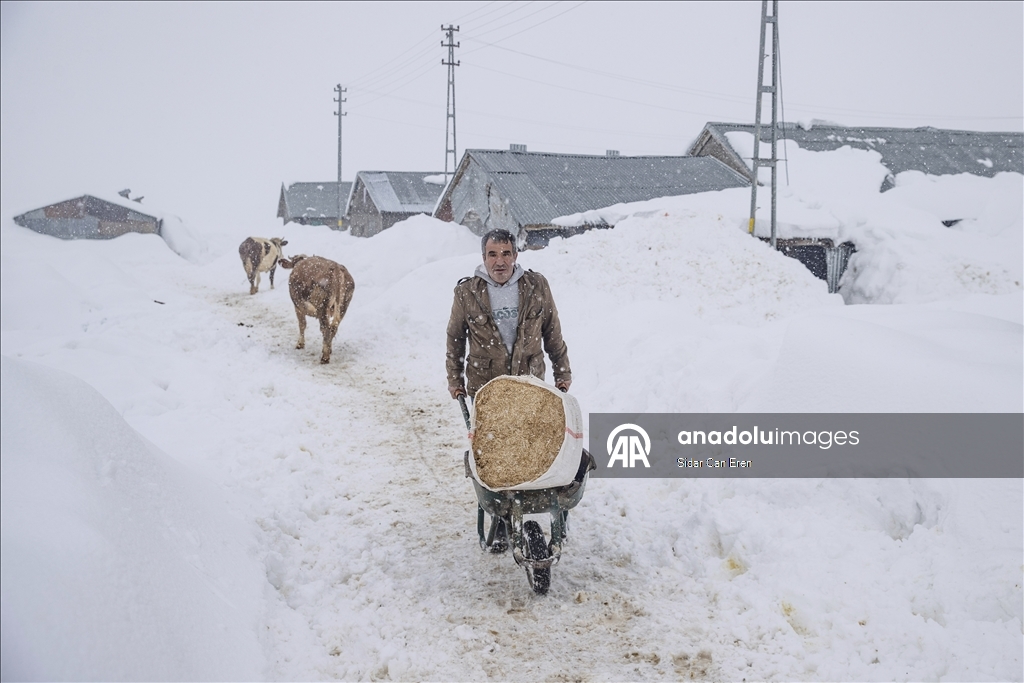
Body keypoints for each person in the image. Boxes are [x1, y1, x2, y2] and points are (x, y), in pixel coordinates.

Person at [446, 229, 572, 400]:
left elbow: (552, 331)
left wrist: (562, 372)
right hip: (486, 386)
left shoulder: (536, 285)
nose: (500, 261)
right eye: (492, 254)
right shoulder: (467, 292)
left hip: (530, 382)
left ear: (515, 256)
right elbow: (455, 337)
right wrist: (455, 379)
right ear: (484, 258)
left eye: (506, 254)